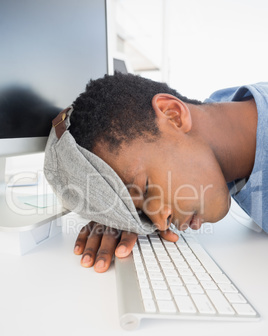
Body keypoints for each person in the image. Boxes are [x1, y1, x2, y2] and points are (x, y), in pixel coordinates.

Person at [44, 73, 267, 273]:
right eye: (142, 214)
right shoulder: (229, 121)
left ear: (173, 114)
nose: (161, 223)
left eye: (147, 187)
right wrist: (123, 217)